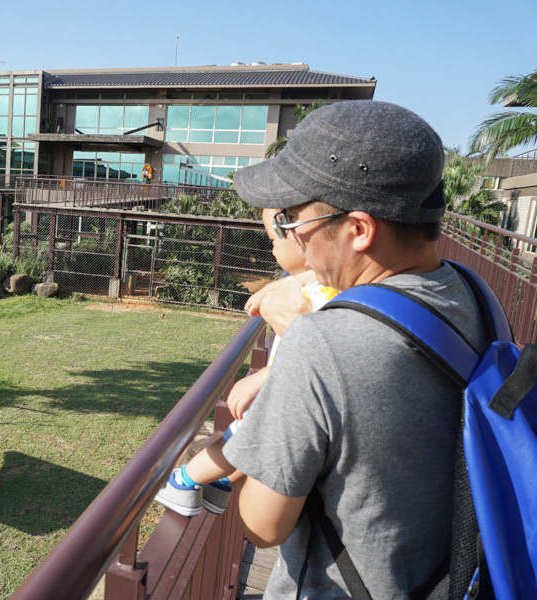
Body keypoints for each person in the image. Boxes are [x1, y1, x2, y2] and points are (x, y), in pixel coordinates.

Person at [178, 100, 490, 598]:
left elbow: (263, 526)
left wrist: (293, 370)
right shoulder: (475, 292)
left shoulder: (324, 341)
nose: (293, 238)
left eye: (292, 219)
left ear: (359, 229)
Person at [155, 208, 338, 516]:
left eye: (275, 237)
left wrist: (266, 375)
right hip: (288, 389)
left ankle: (184, 483)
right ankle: (221, 486)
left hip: (287, 394)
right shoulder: (320, 285)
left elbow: (318, 353)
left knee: (238, 441)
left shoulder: (319, 295)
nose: (274, 245)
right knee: (246, 442)